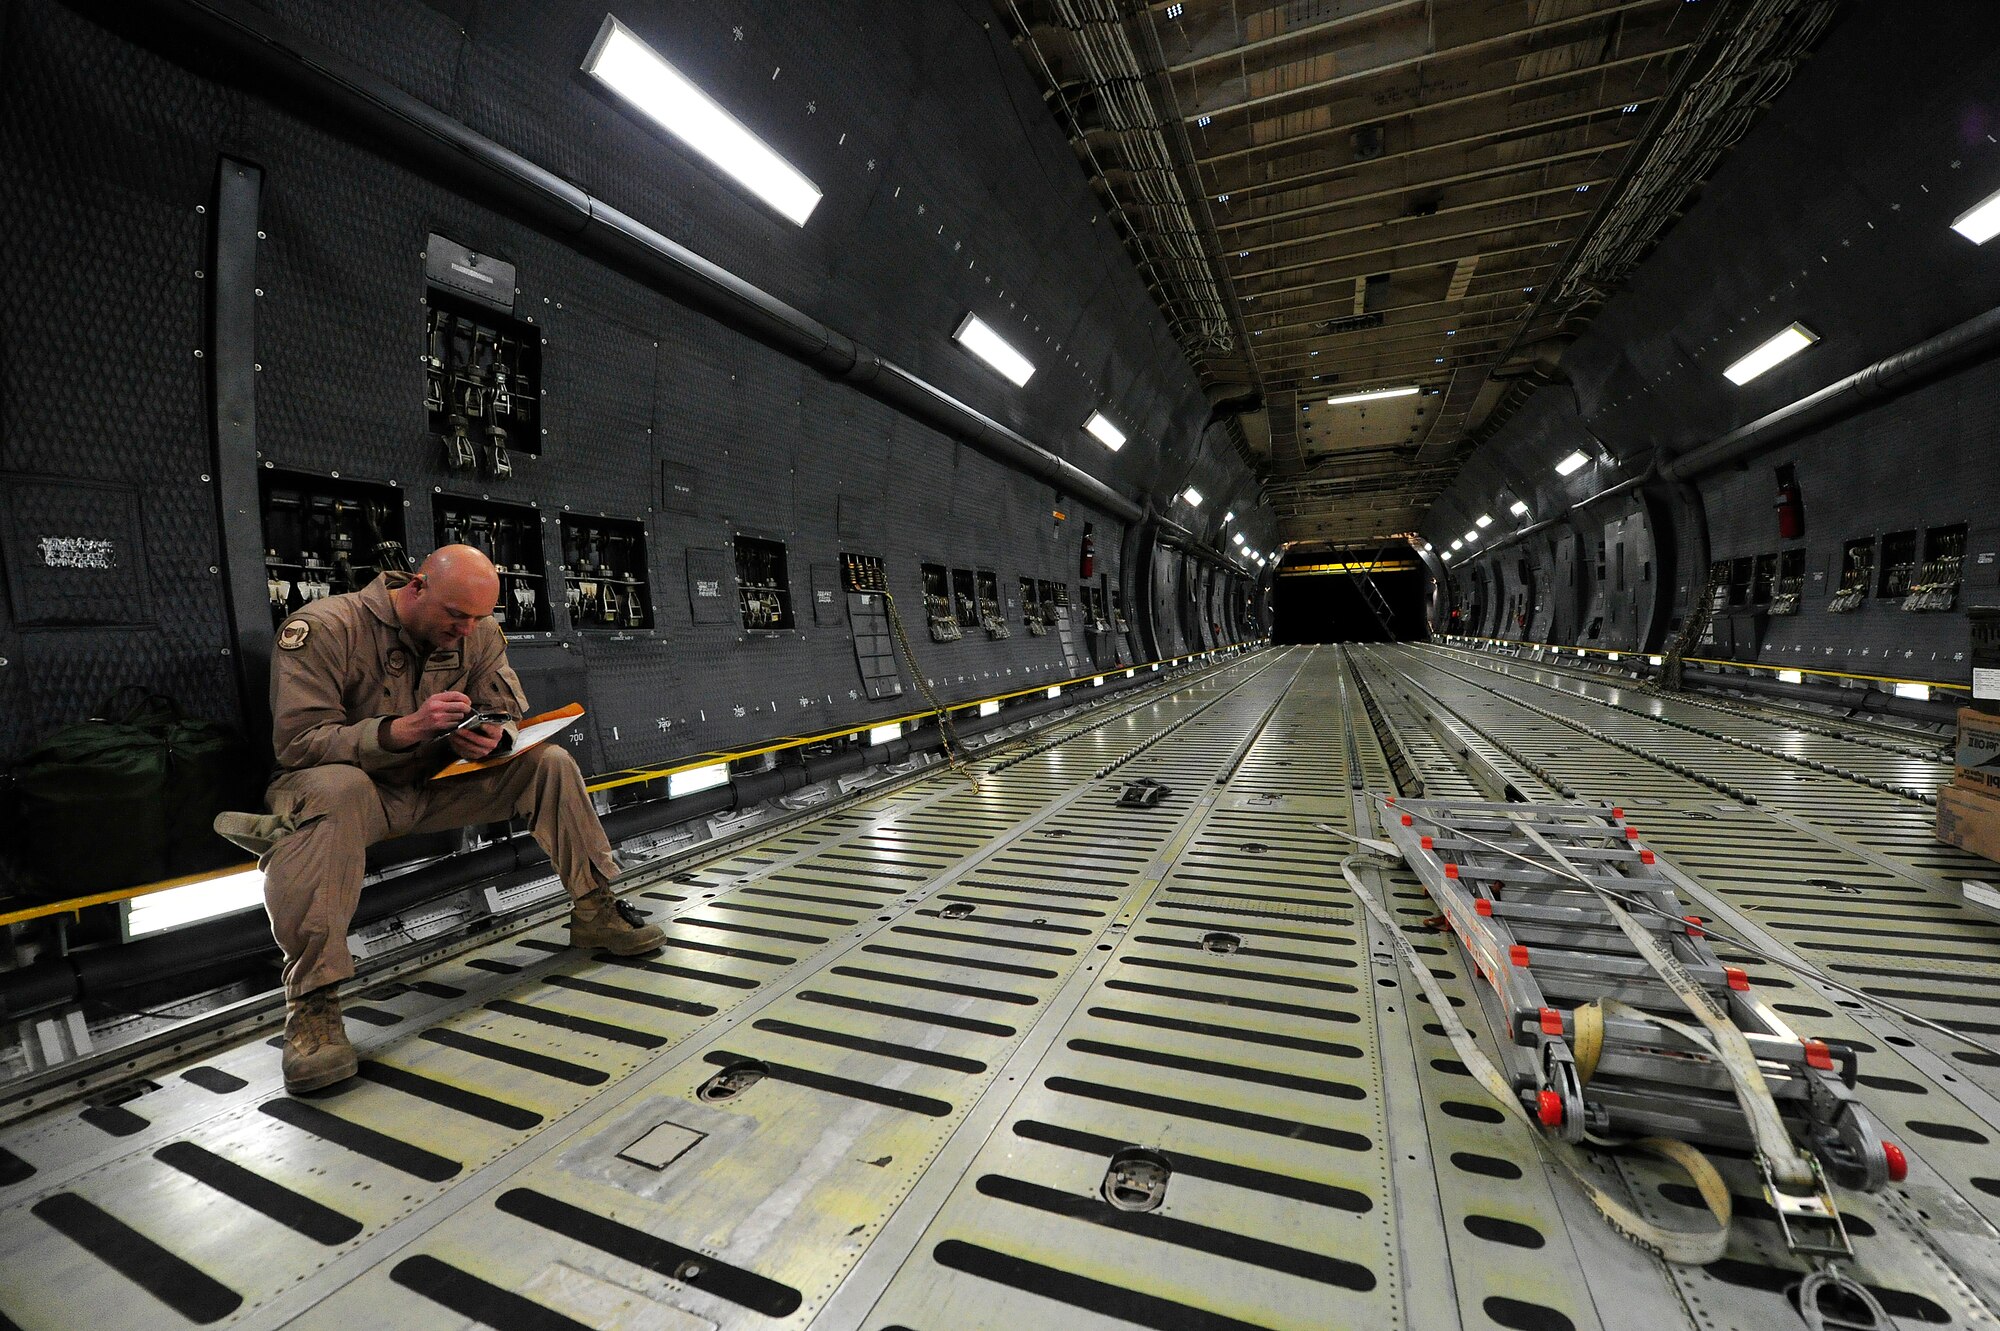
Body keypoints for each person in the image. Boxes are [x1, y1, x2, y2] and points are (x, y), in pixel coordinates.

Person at [217, 544, 664, 1093]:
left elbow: (504, 707)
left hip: (435, 784)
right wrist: (402, 730)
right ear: (417, 586)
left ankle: (596, 909)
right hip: (359, 793)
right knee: (330, 791)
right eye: (456, 615)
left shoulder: (476, 632)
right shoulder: (325, 628)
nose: (466, 628)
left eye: (478, 618)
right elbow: (299, 744)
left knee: (547, 762)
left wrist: (492, 735)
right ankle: (313, 1007)